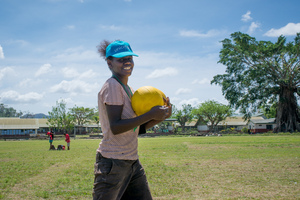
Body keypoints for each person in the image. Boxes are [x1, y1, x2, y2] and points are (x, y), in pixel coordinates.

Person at [93, 40, 172, 200]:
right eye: (121, 59)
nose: (127, 62)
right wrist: (150, 114)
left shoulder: (130, 91)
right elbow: (116, 127)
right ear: (109, 63)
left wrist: (161, 116)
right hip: (113, 162)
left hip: (131, 161)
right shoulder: (112, 86)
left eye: (130, 58)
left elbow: (137, 129)